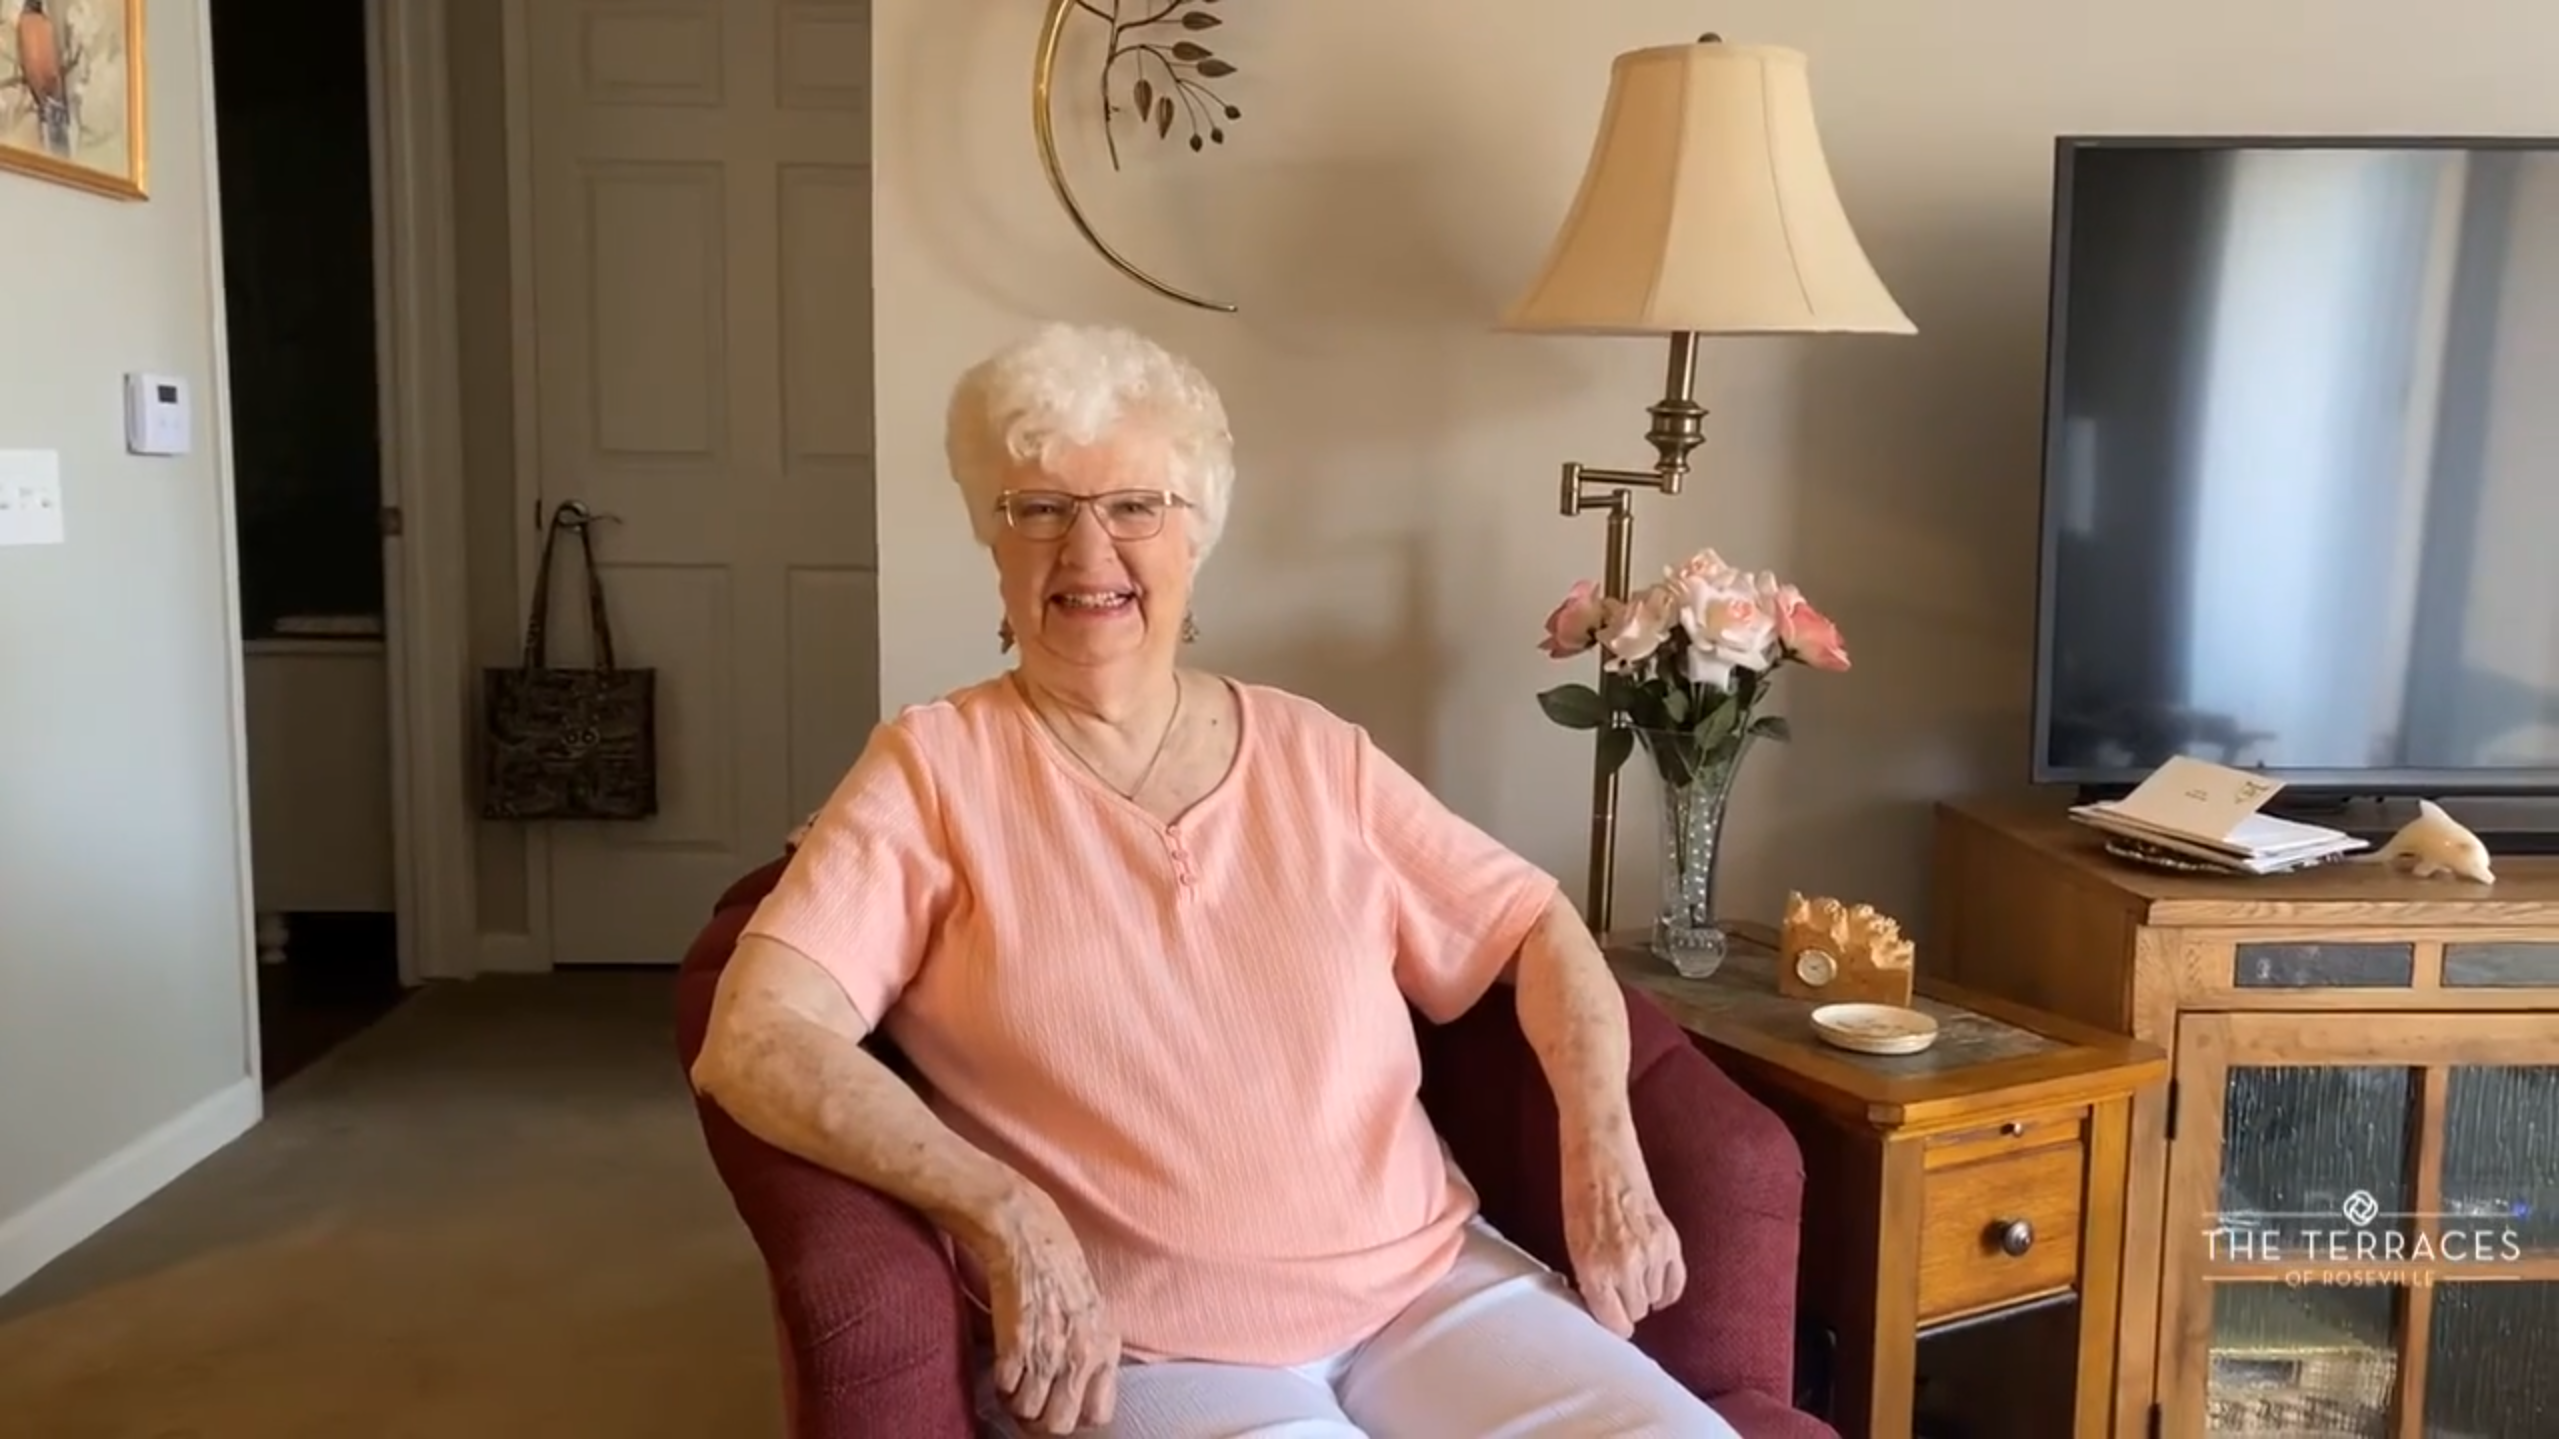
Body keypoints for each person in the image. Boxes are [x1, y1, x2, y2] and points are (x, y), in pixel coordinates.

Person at [691, 323, 1741, 1439]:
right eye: (1039, 508)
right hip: (1146, 1345)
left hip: (1428, 1285)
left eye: (1135, 506)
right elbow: (754, 1039)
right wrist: (1002, 1206)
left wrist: (1601, 1147)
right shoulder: (935, 771)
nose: (1087, 548)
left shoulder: (1315, 753)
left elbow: (1530, 920)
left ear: (1195, 536)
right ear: (993, 543)